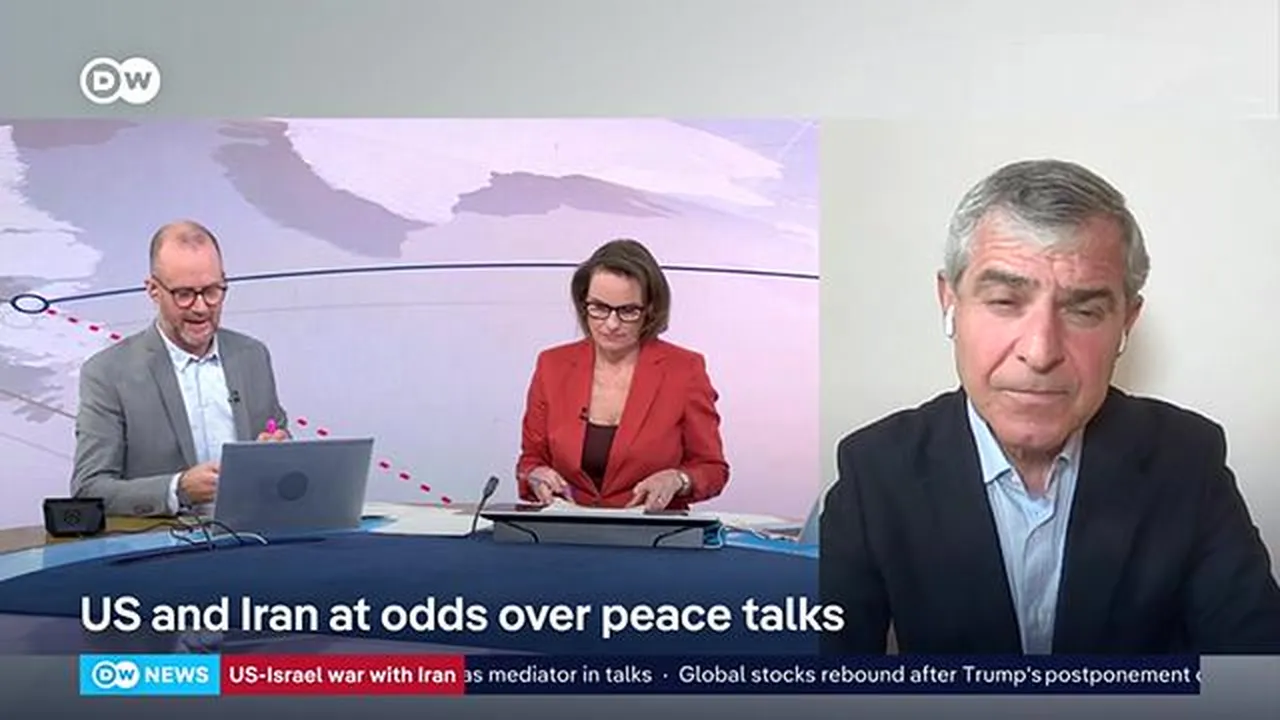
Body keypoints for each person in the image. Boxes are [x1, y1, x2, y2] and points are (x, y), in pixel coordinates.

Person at [820, 159, 1280, 655]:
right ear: (950, 302)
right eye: (1004, 301)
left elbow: (1258, 667)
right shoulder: (874, 469)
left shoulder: (1188, 459)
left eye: (1084, 310)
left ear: (1126, 322)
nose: (1040, 352)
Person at [71, 220, 289, 517]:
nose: (201, 308)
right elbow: (89, 489)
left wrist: (281, 453)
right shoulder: (108, 373)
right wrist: (178, 490)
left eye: (212, 291)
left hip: (253, 536)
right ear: (153, 290)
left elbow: (280, 443)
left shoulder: (252, 356)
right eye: (184, 294)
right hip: (166, 542)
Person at [516, 239, 730, 510]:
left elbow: (712, 468)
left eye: (628, 310)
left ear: (650, 309)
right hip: (568, 527)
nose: (611, 324)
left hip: (650, 531)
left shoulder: (685, 370)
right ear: (583, 303)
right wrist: (535, 475)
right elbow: (531, 460)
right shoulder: (552, 365)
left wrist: (679, 479)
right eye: (599, 307)